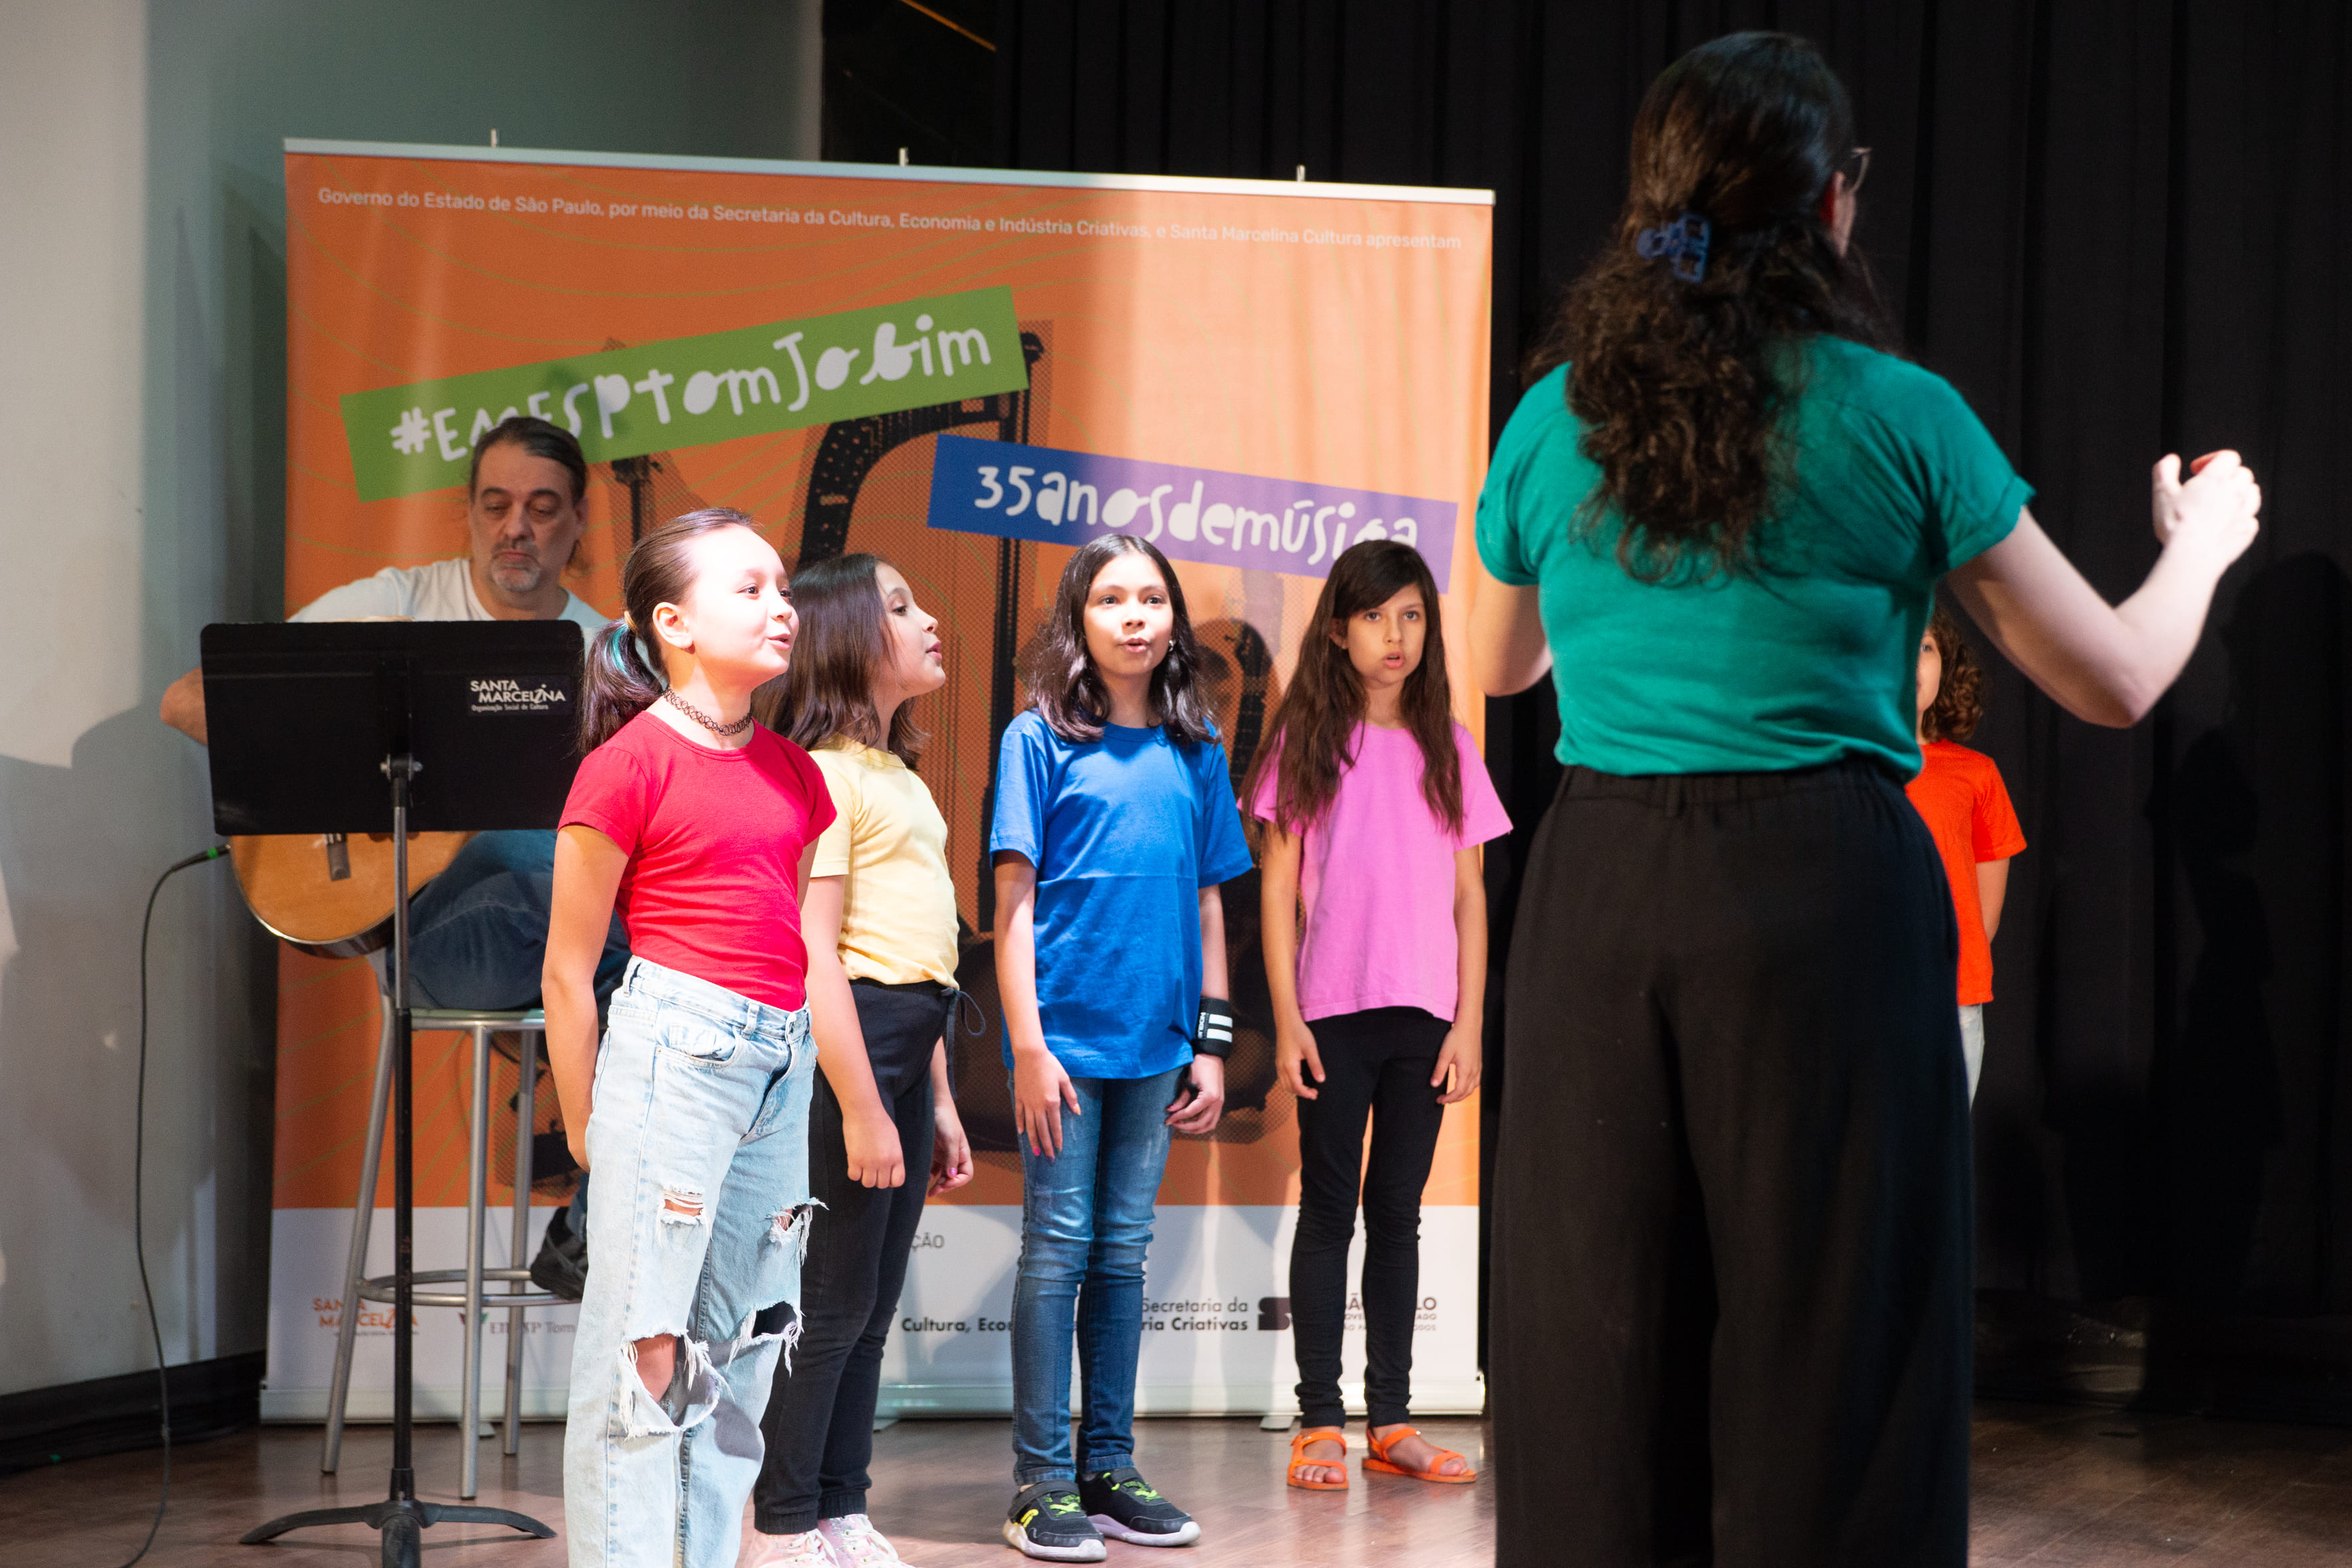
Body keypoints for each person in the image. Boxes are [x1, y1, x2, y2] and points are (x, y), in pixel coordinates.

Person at [1468, 32, 2260, 1567]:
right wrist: (2204, 543)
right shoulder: (1898, 412)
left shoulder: (1559, 414)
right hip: (1819, 887)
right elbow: (2111, 679)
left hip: (1600, 892)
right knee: (1836, 1336)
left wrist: (1637, 556)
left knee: (1601, 1329)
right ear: (1833, 207)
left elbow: (1498, 668)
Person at [542, 509, 834, 1568]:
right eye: (748, 588)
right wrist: (584, 1131)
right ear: (672, 621)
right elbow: (568, 970)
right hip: (673, 1046)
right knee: (643, 1349)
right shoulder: (625, 764)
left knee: (743, 1347)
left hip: (777, 1057)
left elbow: (794, 942)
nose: (781, 607)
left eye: (783, 588)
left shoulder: (798, 777)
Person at [158, 414, 628, 1016]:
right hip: (429, 937)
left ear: (580, 517)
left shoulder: (607, 658)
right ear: (467, 511)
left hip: (555, 934)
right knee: (544, 876)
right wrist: (352, 777)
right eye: (494, 507)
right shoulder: (396, 605)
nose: (516, 529)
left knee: (561, 869)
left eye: (541, 509)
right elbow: (186, 700)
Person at [990, 534, 1255, 1561]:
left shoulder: (1198, 750)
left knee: (1122, 1252)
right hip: (1063, 1043)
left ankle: (1106, 1465)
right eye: (1111, 598)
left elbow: (1208, 900)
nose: (1135, 615)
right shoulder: (1036, 738)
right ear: (1078, 618)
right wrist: (1025, 1045)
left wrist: (1211, 1043)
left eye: (1151, 597)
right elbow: (1011, 901)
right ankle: (1038, 1480)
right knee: (1056, 1250)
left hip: (1155, 1048)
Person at [1245, 540, 1507, 1492]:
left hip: (1425, 1020)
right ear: (1337, 629)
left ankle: (1389, 1418)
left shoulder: (1450, 742)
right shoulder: (1305, 740)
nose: (1393, 636)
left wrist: (1469, 1019)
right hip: (1332, 1011)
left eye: (1409, 615)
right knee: (1328, 1210)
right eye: (1372, 616)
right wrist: (1288, 1017)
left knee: (1396, 1215)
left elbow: (1470, 893)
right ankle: (1319, 1418)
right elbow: (1275, 889)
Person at [741, 554, 978, 1568]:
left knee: (875, 1304)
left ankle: (841, 1504)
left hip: (905, 1044)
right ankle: (781, 1517)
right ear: (846, 635)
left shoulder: (893, 773)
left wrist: (937, 1101)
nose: (928, 620)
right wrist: (859, 1104)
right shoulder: (826, 774)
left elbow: (921, 957)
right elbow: (817, 955)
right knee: (830, 1303)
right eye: (900, 604)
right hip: (852, 1051)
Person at [1907, 607, 2027, 1104]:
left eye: (1925, 646)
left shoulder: (1974, 775)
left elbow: (1984, 913)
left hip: (1951, 1003)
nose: (1907, 659)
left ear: (1944, 667)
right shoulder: (1838, 769)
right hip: (1855, 1001)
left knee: (1935, 1171)